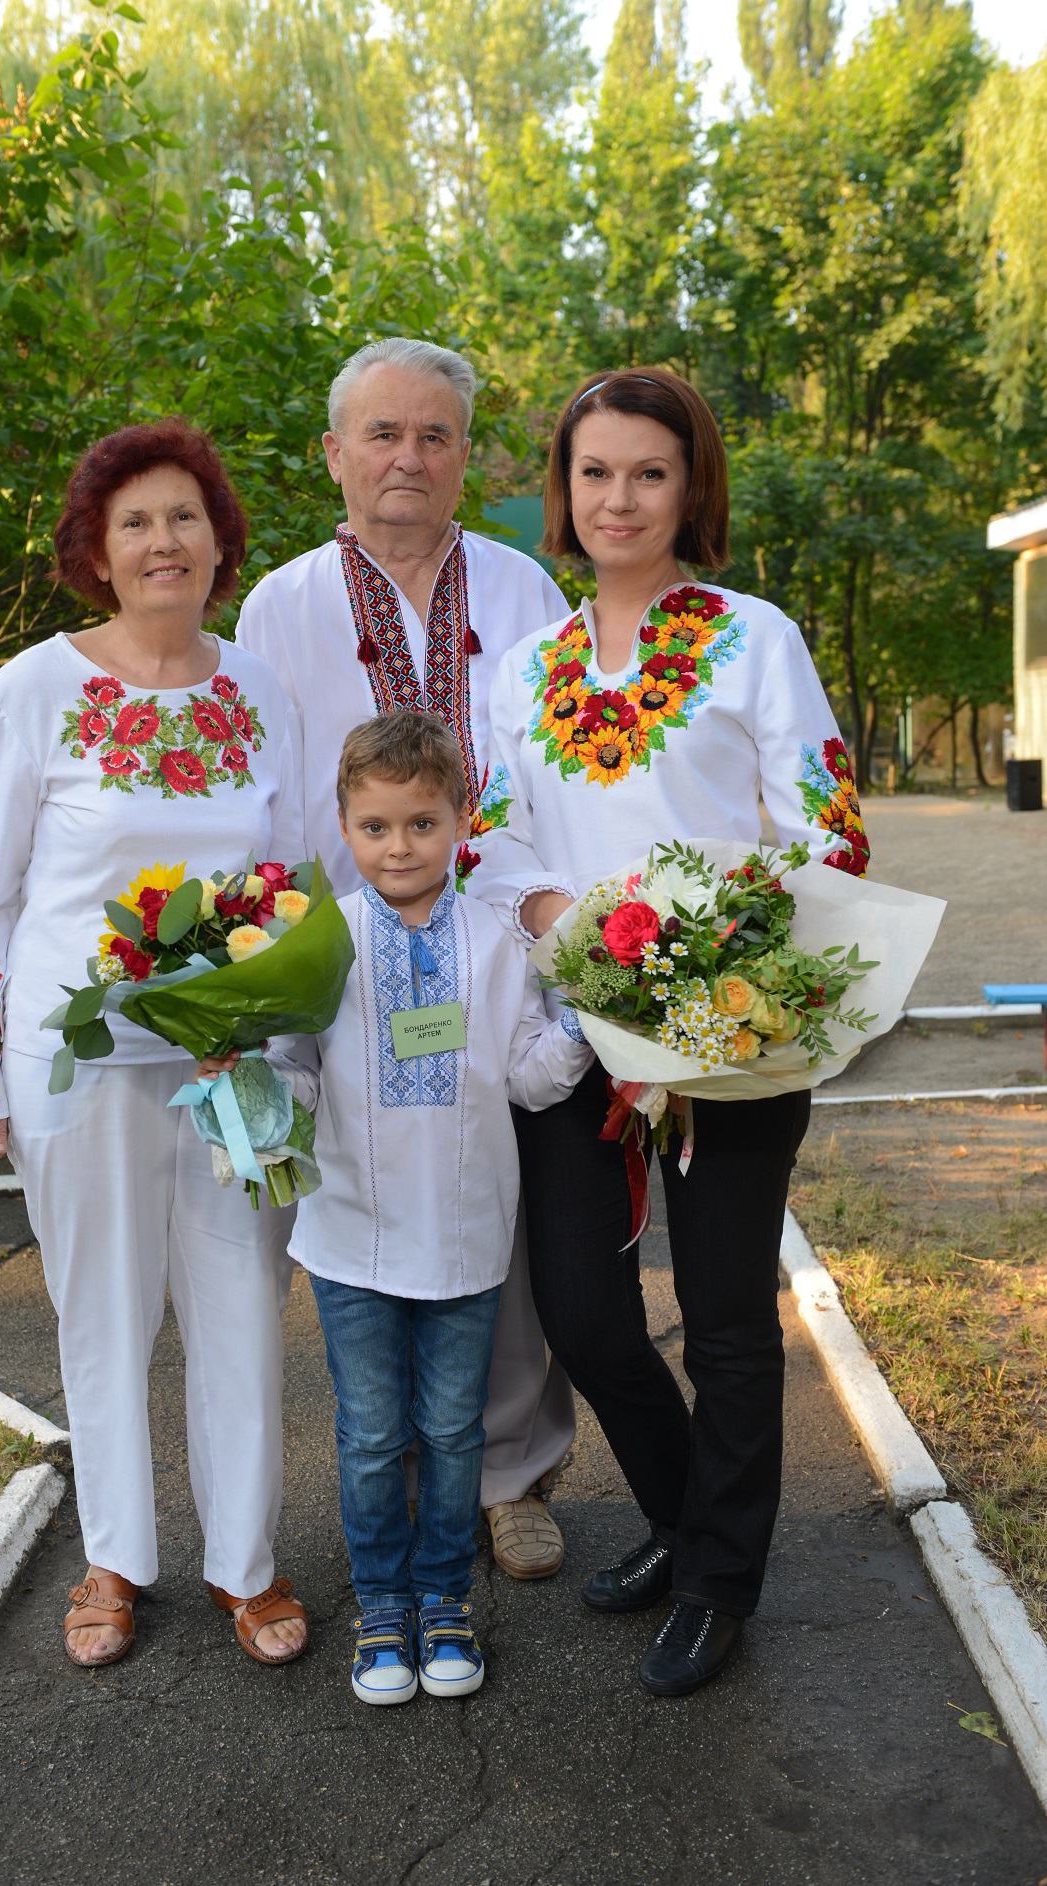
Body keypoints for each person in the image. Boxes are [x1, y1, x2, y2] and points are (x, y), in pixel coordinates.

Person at [483, 366, 871, 1698]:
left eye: (649, 472)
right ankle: (681, 1512)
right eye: (595, 471)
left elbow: (827, 828)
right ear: (564, 488)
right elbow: (491, 836)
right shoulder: (525, 668)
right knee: (585, 1314)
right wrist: (564, 920)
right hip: (577, 1030)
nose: (620, 498)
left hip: (727, 1024)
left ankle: (718, 1580)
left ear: (691, 485)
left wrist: (712, 941)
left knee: (725, 1323)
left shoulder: (752, 637)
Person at [0, 419, 310, 1670]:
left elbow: (292, 878)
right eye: (134, 521)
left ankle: (246, 1565)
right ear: (95, 551)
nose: (163, 541)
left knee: (241, 1304)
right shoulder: (30, 692)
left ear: (219, 541)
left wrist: (292, 1044)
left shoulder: (260, 692)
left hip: (234, 1066)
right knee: (100, 1311)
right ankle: (114, 1560)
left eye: (184, 516)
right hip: (74, 1064)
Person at [237, 336, 576, 1581]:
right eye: (382, 433)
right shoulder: (280, 606)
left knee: (501, 1207)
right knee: (374, 1208)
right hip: (350, 965)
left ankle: (511, 1476)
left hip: (499, 947)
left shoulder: (525, 591)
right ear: (334, 453)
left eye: (434, 435)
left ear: (464, 455)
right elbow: (269, 801)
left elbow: (560, 771)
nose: (408, 458)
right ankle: (398, 1477)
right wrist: (269, 960)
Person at [268, 711, 592, 1704]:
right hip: (351, 1238)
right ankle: (382, 1606)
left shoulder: (497, 940)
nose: (399, 846)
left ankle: (445, 1599)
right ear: (343, 826)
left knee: (454, 1433)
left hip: (464, 1234)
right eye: (374, 826)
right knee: (371, 1436)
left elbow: (529, 1076)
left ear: (459, 820)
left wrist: (591, 1021)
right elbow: (296, 1076)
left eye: (421, 823)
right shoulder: (318, 940)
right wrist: (243, 1079)